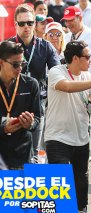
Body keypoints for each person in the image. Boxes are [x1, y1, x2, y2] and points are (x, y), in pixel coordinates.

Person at [44, 41, 91, 213]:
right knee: (58, 176)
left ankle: (82, 211)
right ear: (75, 58)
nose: (90, 61)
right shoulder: (57, 71)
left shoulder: (88, 75)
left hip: (80, 135)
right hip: (56, 135)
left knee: (81, 179)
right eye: (87, 57)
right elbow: (66, 87)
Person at [9, 3, 61, 163]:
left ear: (35, 24)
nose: (26, 27)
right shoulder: (7, 47)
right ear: (15, 24)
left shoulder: (45, 47)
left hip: (36, 107)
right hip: (11, 106)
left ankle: (30, 186)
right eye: (22, 23)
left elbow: (58, 73)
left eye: (30, 23)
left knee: (33, 155)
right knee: (9, 153)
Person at [0, 41, 41, 170]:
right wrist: (3, 127)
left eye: (22, 63)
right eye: (15, 64)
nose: (20, 68)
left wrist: (30, 123)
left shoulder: (31, 84)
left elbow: (37, 118)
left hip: (22, 152)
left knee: (20, 190)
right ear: (1, 63)